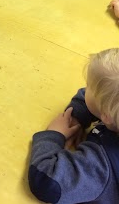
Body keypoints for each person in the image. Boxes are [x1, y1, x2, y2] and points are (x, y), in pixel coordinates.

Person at [28, 48, 119, 204]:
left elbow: (46, 181)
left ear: (107, 116)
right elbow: (95, 97)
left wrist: (53, 135)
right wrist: (78, 116)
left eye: (89, 85)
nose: (85, 89)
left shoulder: (100, 167)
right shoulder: (113, 111)